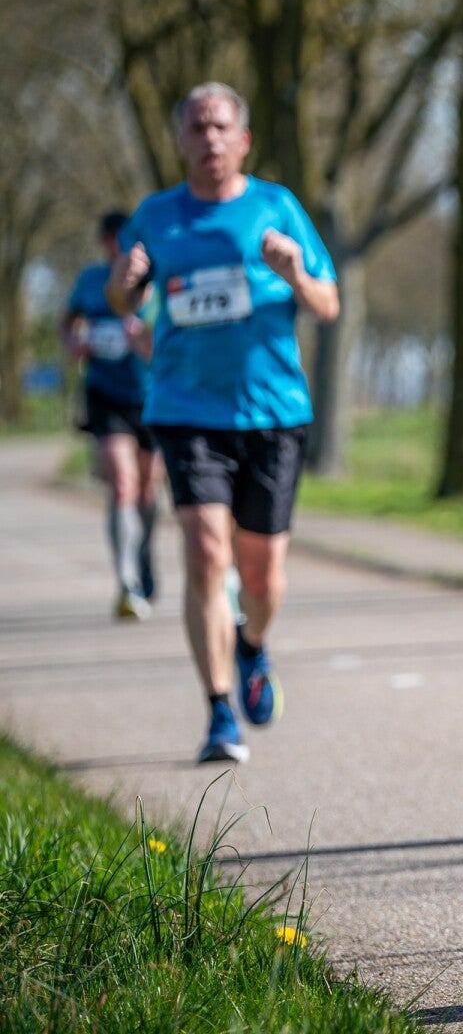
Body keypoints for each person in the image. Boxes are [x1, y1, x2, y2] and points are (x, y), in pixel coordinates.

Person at [109, 82, 340, 764]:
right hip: (186, 411)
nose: (209, 138)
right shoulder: (156, 216)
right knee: (207, 553)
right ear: (181, 141)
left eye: (220, 127)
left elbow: (327, 304)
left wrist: (295, 274)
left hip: (273, 413)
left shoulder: (277, 207)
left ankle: (252, 645)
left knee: (262, 577)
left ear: (243, 140)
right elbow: (121, 296)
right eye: (197, 127)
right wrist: (126, 279)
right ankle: (218, 711)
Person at [64, 211, 162, 621]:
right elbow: (69, 322)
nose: (118, 247)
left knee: (148, 490)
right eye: (111, 240)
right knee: (123, 483)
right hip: (106, 395)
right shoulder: (90, 280)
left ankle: (143, 554)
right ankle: (126, 582)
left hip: (153, 397)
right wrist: (74, 343)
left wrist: (146, 343)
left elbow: (173, 338)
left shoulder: (158, 282)